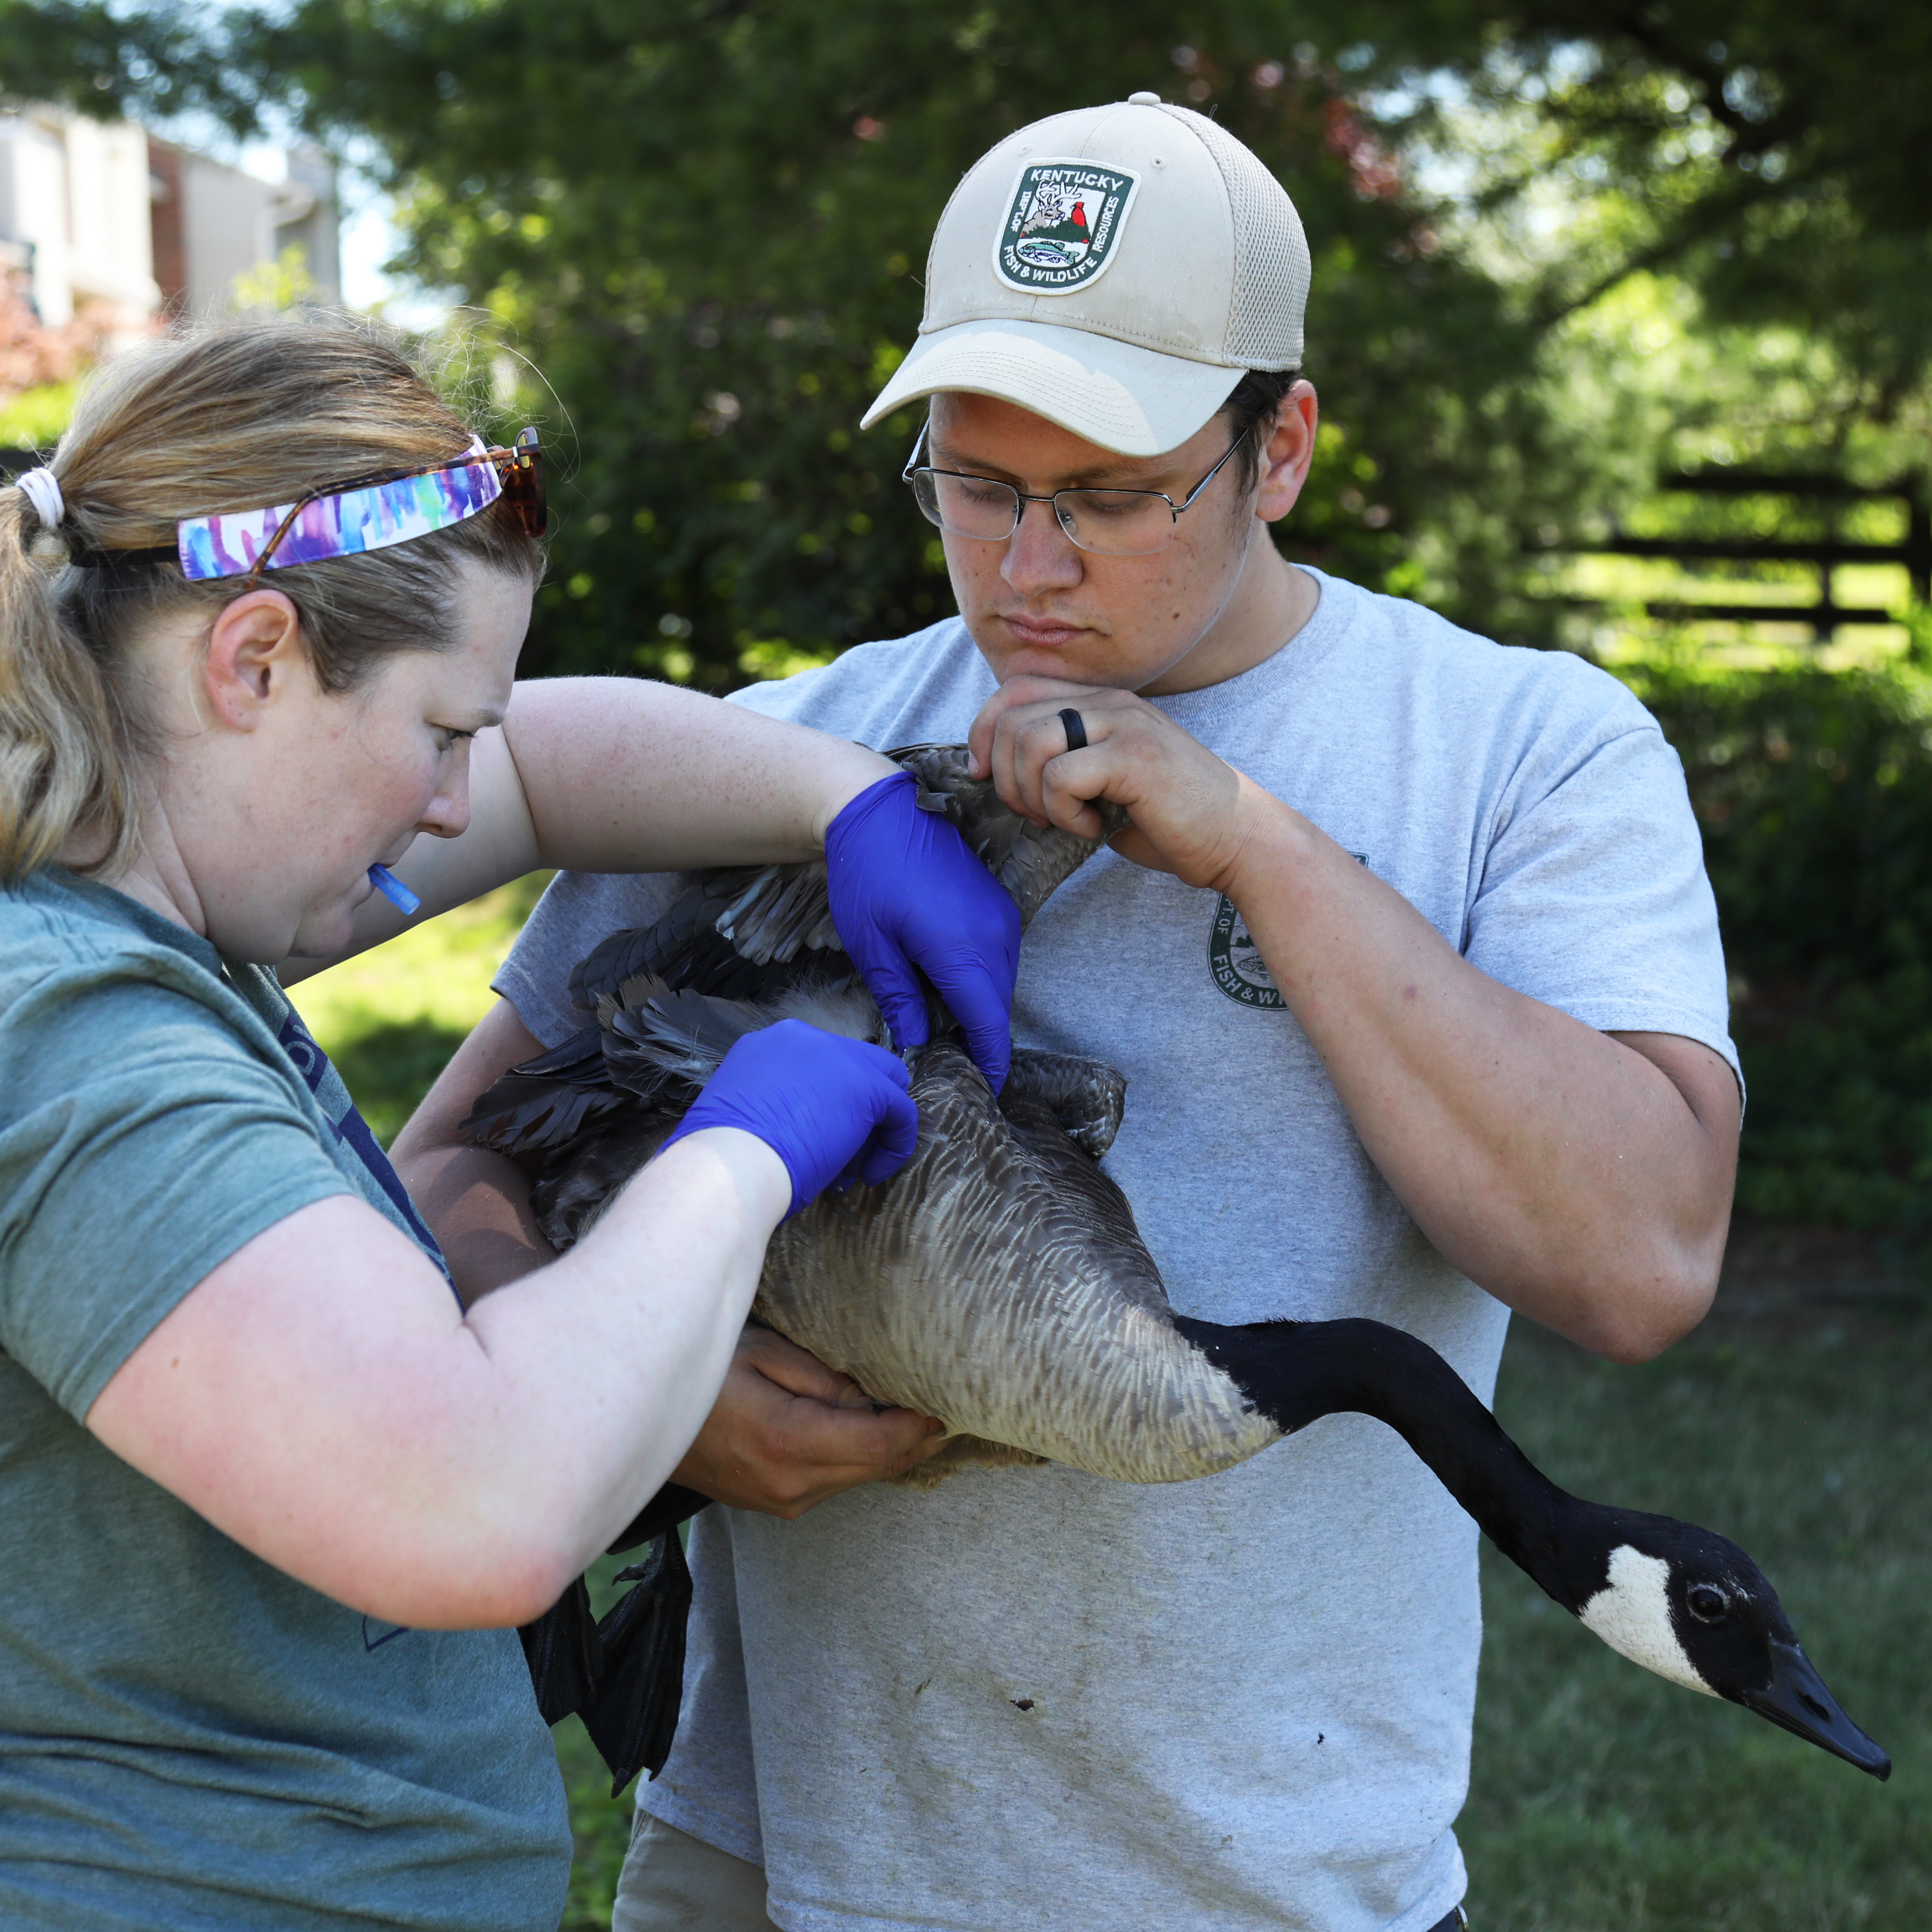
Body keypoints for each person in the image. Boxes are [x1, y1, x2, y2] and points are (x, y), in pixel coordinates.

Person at [399, 98, 1742, 1932]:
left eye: (1112, 497)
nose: (1027, 568)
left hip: (1272, 1884)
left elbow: (1642, 1259)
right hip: (768, 1867)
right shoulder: (782, 745)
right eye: (976, 484)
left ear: (1281, 449)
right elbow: (451, 1159)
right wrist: (643, 1386)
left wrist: (1265, 851)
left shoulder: (1524, 751)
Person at [0, 316, 1026, 1932]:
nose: (457, 806)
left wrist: (845, 801)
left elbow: (551, 769)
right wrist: (742, 1150)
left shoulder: (123, 883)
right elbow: (471, 1505)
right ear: (252, 658)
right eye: (437, 733)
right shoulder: (83, 1049)